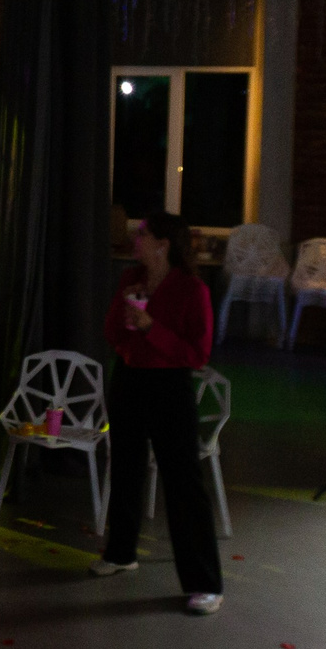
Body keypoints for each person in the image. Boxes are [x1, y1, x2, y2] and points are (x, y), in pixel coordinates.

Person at [91, 208, 223, 614]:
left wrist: (151, 328)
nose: (137, 239)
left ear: (163, 245)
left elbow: (197, 354)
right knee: (125, 466)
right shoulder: (131, 280)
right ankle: (121, 552)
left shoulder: (191, 290)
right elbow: (112, 331)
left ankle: (205, 583)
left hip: (169, 388)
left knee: (182, 481)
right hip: (129, 379)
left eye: (144, 234)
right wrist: (127, 329)